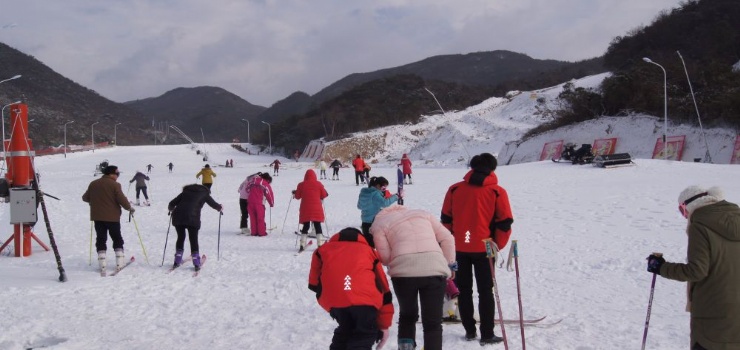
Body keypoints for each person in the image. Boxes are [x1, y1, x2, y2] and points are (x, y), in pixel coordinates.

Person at [646, 186, 740, 350]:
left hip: (714, 314)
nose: (685, 216)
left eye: (683, 211)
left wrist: (660, 267)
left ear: (690, 205)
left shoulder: (700, 226)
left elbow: (696, 271)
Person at [440, 153, 513, 345]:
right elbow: (504, 223)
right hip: (485, 248)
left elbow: (446, 220)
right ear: (492, 169)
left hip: (459, 247)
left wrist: (450, 243)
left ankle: (470, 331)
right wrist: (496, 244)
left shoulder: (455, 189)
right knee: (485, 291)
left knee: (464, 290)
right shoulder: (497, 192)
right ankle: (487, 333)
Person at [372, 205, 457, 350]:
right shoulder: (423, 214)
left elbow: (385, 258)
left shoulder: (379, 224)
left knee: (407, 316)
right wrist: (450, 263)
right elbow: (448, 238)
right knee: (433, 323)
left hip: (403, 273)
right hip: (434, 268)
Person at [308, 227, 394, 350]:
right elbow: (384, 288)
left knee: (346, 329)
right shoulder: (369, 251)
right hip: (366, 302)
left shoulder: (321, 251)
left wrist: (342, 288)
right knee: (365, 332)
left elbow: (313, 284)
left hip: (335, 301)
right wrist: (384, 324)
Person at [82, 165, 134, 274]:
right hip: (112, 217)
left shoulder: (93, 183)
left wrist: (96, 200)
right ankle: (119, 262)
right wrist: (129, 208)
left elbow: (85, 198)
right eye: (117, 174)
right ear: (112, 174)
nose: (117, 176)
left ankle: (102, 264)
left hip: (97, 217)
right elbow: (121, 199)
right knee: (116, 238)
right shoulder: (115, 185)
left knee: (101, 238)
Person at [167, 184, 222, 271]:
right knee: (193, 239)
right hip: (193, 218)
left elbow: (172, 203)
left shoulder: (185, 192)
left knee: (181, 237)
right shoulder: (204, 193)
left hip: (178, 216)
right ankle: (196, 262)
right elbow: (213, 204)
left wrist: (171, 209)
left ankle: (177, 260)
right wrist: (220, 208)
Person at [357, 176, 399, 248]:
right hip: (373, 221)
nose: (384, 190)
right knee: (374, 244)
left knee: (368, 243)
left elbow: (359, 206)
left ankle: (368, 256)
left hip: (365, 221)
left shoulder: (364, 192)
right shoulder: (375, 194)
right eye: (383, 188)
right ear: (378, 185)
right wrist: (396, 197)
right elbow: (384, 203)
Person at [293, 169, 329, 252]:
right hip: (317, 207)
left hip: (305, 208)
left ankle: (302, 243)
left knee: (306, 225)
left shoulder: (301, 184)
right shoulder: (319, 184)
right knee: (317, 225)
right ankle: (320, 243)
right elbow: (323, 194)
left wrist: (294, 193)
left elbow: (297, 196)